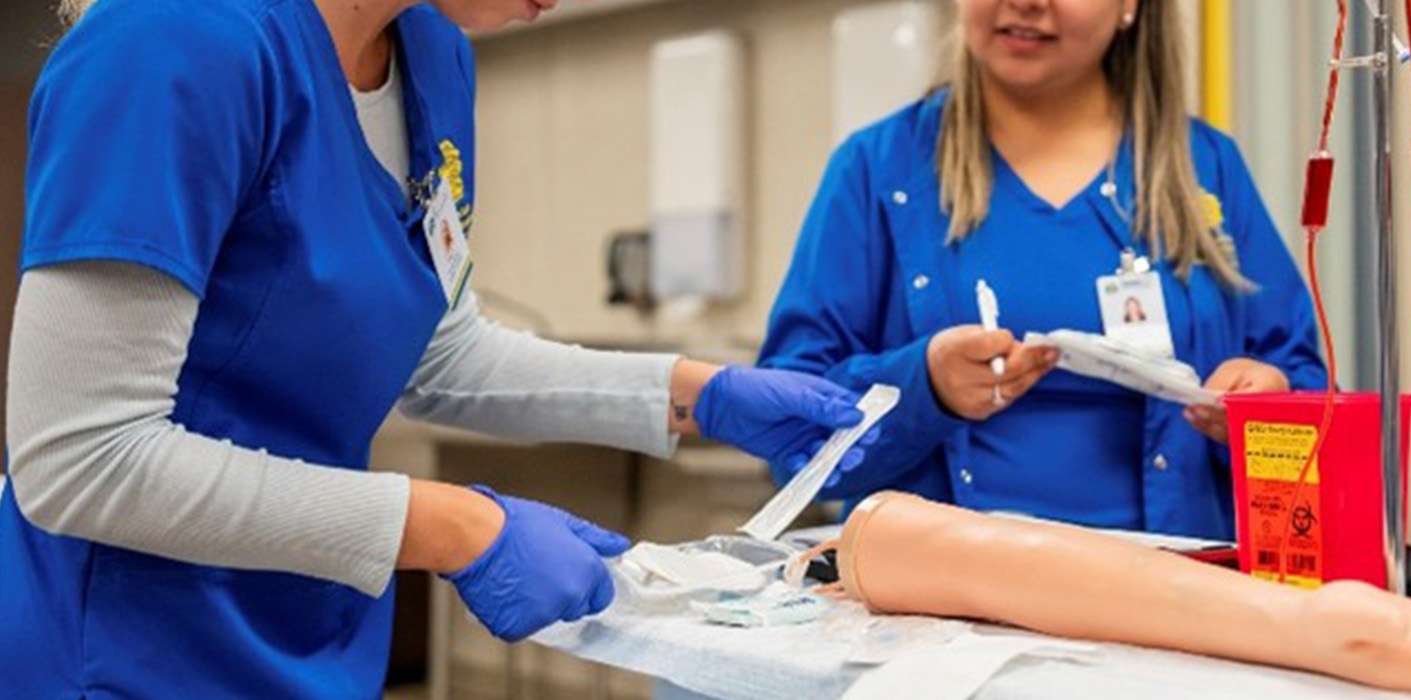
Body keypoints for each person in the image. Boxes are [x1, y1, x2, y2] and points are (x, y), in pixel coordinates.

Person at [0, 0, 872, 697]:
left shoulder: (432, 58)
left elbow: (439, 354)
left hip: (305, 632)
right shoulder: (173, 43)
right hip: (125, 649)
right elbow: (82, 457)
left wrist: (696, 391)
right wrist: (456, 528)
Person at [759, 0, 1324, 538]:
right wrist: (923, 386)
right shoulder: (880, 170)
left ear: (1131, 5)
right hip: (940, 608)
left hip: (1172, 599)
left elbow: (1307, 399)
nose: (1026, 2)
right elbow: (788, 431)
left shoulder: (1204, 166)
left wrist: (1263, 408)